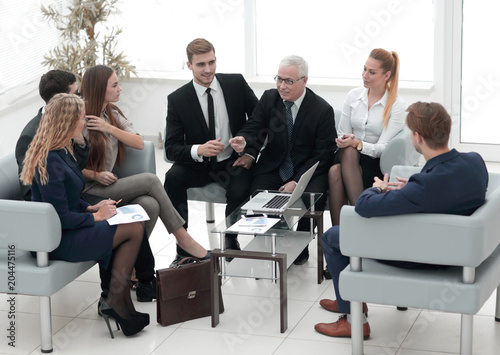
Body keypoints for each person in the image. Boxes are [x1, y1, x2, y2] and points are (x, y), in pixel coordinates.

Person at [315, 101, 488, 339]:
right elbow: (447, 187)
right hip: (458, 247)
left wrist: (378, 188)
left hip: (423, 255)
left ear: (417, 137)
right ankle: (350, 298)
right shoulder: (474, 162)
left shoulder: (424, 187)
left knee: (332, 237)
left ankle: (354, 318)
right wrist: (414, 188)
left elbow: (364, 207)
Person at [20, 93, 149, 337]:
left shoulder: (62, 150)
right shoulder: (49, 160)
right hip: (57, 240)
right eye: (80, 118)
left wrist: (91, 208)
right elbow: (57, 216)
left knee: (134, 223)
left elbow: (69, 198)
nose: (84, 122)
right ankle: (116, 300)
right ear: (67, 123)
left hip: (69, 229)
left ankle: (117, 300)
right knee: (132, 229)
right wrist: (96, 218)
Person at [80, 64, 209, 300]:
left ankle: (130, 269)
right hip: (88, 189)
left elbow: (138, 142)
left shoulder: (111, 113)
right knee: (151, 180)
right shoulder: (80, 119)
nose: (120, 89)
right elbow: (67, 164)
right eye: (115, 85)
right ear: (100, 88)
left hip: (105, 185)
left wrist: (108, 127)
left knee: (148, 205)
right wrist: (94, 174)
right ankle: (184, 239)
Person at [230, 55, 337, 265]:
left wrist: (297, 181)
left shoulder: (322, 110)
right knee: (259, 191)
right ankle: (271, 243)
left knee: (312, 196)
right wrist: (244, 140)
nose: (282, 86)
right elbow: (254, 126)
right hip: (274, 164)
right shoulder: (270, 99)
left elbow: (323, 153)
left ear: (304, 80)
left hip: (308, 169)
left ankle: (301, 246)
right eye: (279, 79)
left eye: (289, 81)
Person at [164, 38, 258, 264]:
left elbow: (259, 119)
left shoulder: (236, 84)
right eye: (200, 65)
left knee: (241, 188)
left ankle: (231, 236)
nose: (208, 70)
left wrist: (247, 146)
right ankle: (183, 244)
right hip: (198, 164)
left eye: (211, 62)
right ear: (189, 66)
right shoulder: (177, 99)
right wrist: (199, 149)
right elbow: (171, 148)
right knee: (172, 179)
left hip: (231, 161)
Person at [328, 48, 406, 226]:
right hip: (347, 154)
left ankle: (340, 238)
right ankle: (362, 217)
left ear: (386, 75)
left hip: (373, 162)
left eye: (372, 72)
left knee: (335, 172)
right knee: (348, 151)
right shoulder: (353, 96)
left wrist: (358, 144)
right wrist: (346, 140)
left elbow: (383, 148)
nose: (365, 75)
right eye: (364, 69)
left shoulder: (396, 105)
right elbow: (341, 133)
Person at [15, 70, 92, 202]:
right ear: (61, 99)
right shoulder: (30, 136)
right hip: (62, 206)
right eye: (76, 94)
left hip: (77, 198)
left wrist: (80, 143)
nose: (79, 98)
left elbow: (75, 167)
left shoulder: (67, 123)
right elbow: (30, 191)